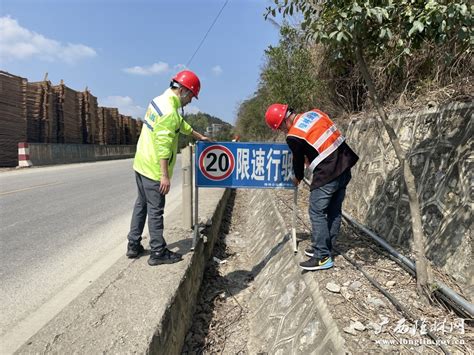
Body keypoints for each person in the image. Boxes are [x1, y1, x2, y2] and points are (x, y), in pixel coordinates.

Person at [127, 70, 210, 266]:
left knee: (141, 204)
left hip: (141, 163)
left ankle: (133, 245)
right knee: (156, 210)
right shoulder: (170, 112)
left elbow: (179, 124)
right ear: (182, 90)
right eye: (190, 96)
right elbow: (164, 145)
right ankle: (158, 252)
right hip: (154, 168)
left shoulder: (158, 101)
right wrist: (164, 176)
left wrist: (198, 136)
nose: (190, 101)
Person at [265, 104, 359, 271]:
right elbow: (321, 140)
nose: (282, 132)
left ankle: (322, 257)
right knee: (334, 211)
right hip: (345, 164)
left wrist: (297, 178)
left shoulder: (293, 135)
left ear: (283, 122)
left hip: (328, 172)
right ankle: (325, 248)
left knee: (317, 212)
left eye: (280, 128)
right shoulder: (315, 113)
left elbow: (298, 161)